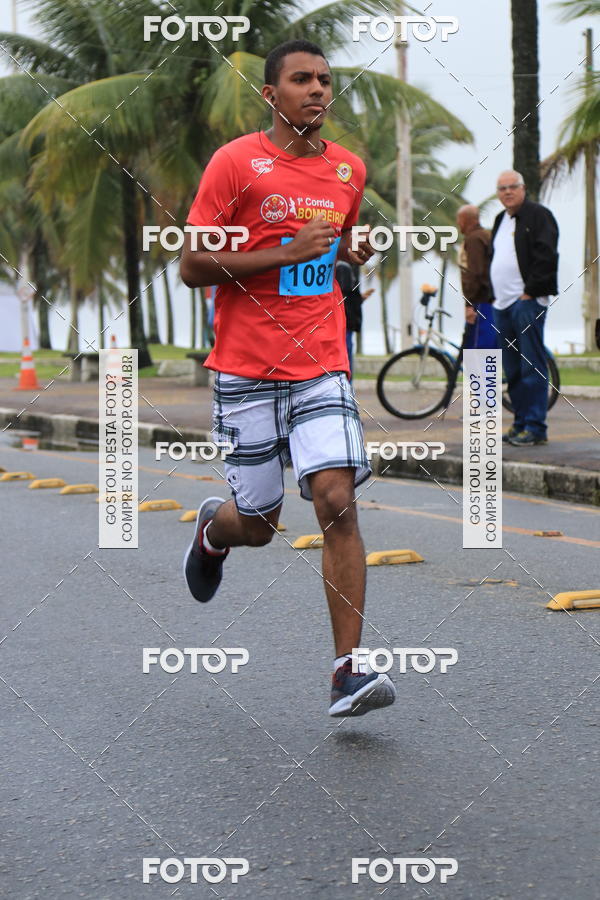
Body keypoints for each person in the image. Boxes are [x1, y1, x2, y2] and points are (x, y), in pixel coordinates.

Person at [180, 39, 396, 717]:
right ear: (271, 95)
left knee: (336, 498)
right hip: (245, 366)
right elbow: (191, 265)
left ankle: (347, 673)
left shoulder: (348, 172)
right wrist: (280, 254)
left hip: (320, 361)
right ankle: (212, 534)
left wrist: (347, 249)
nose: (318, 90)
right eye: (301, 80)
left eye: (325, 81)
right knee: (259, 524)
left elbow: (335, 246)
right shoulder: (235, 164)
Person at [490, 171, 559, 445]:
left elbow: (547, 255)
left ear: (523, 188)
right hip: (502, 305)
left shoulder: (539, 215)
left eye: (512, 187)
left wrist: (530, 292)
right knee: (513, 369)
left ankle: (536, 427)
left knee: (532, 366)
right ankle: (520, 423)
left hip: (527, 303)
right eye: (502, 188)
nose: (507, 192)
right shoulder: (500, 220)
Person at [456, 205, 496, 350]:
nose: (458, 224)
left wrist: (469, 305)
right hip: (490, 300)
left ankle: (480, 374)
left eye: (459, 220)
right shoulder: (486, 235)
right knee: (487, 345)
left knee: (479, 347)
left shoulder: (473, 239)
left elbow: (475, 273)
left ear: (465, 220)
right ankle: (487, 373)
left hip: (480, 301)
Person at [335, 259, 374, 379]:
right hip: (344, 323)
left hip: (346, 322)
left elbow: (346, 297)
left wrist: (359, 298)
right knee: (345, 359)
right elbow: (342, 297)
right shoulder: (343, 267)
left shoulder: (346, 267)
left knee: (346, 357)